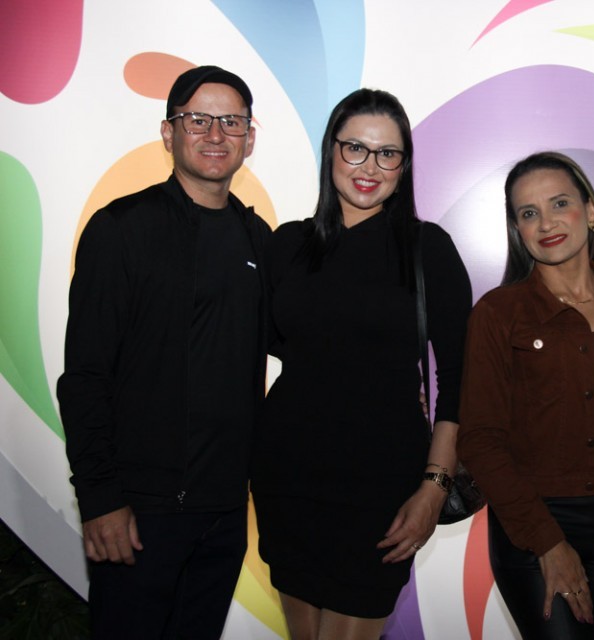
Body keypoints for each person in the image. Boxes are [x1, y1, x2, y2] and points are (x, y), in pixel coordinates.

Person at [251, 88, 472, 640]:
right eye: (355, 148)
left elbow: (460, 379)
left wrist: (434, 486)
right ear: (331, 151)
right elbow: (279, 348)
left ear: (404, 165)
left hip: (382, 484)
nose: (369, 167)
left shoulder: (428, 249)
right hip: (287, 475)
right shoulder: (287, 245)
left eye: (387, 153)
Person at [57, 65, 269, 638]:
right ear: (168, 132)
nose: (215, 134)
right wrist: (100, 498)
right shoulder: (122, 229)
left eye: (231, 122)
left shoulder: (257, 239)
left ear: (250, 138)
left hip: (226, 511)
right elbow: (84, 376)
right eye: (197, 119)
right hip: (138, 512)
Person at [457, 152, 594, 639]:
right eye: (529, 212)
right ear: (517, 229)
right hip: (538, 525)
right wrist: (547, 543)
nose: (546, 223)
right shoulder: (499, 314)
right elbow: (479, 440)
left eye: (560, 203)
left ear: (591, 211)